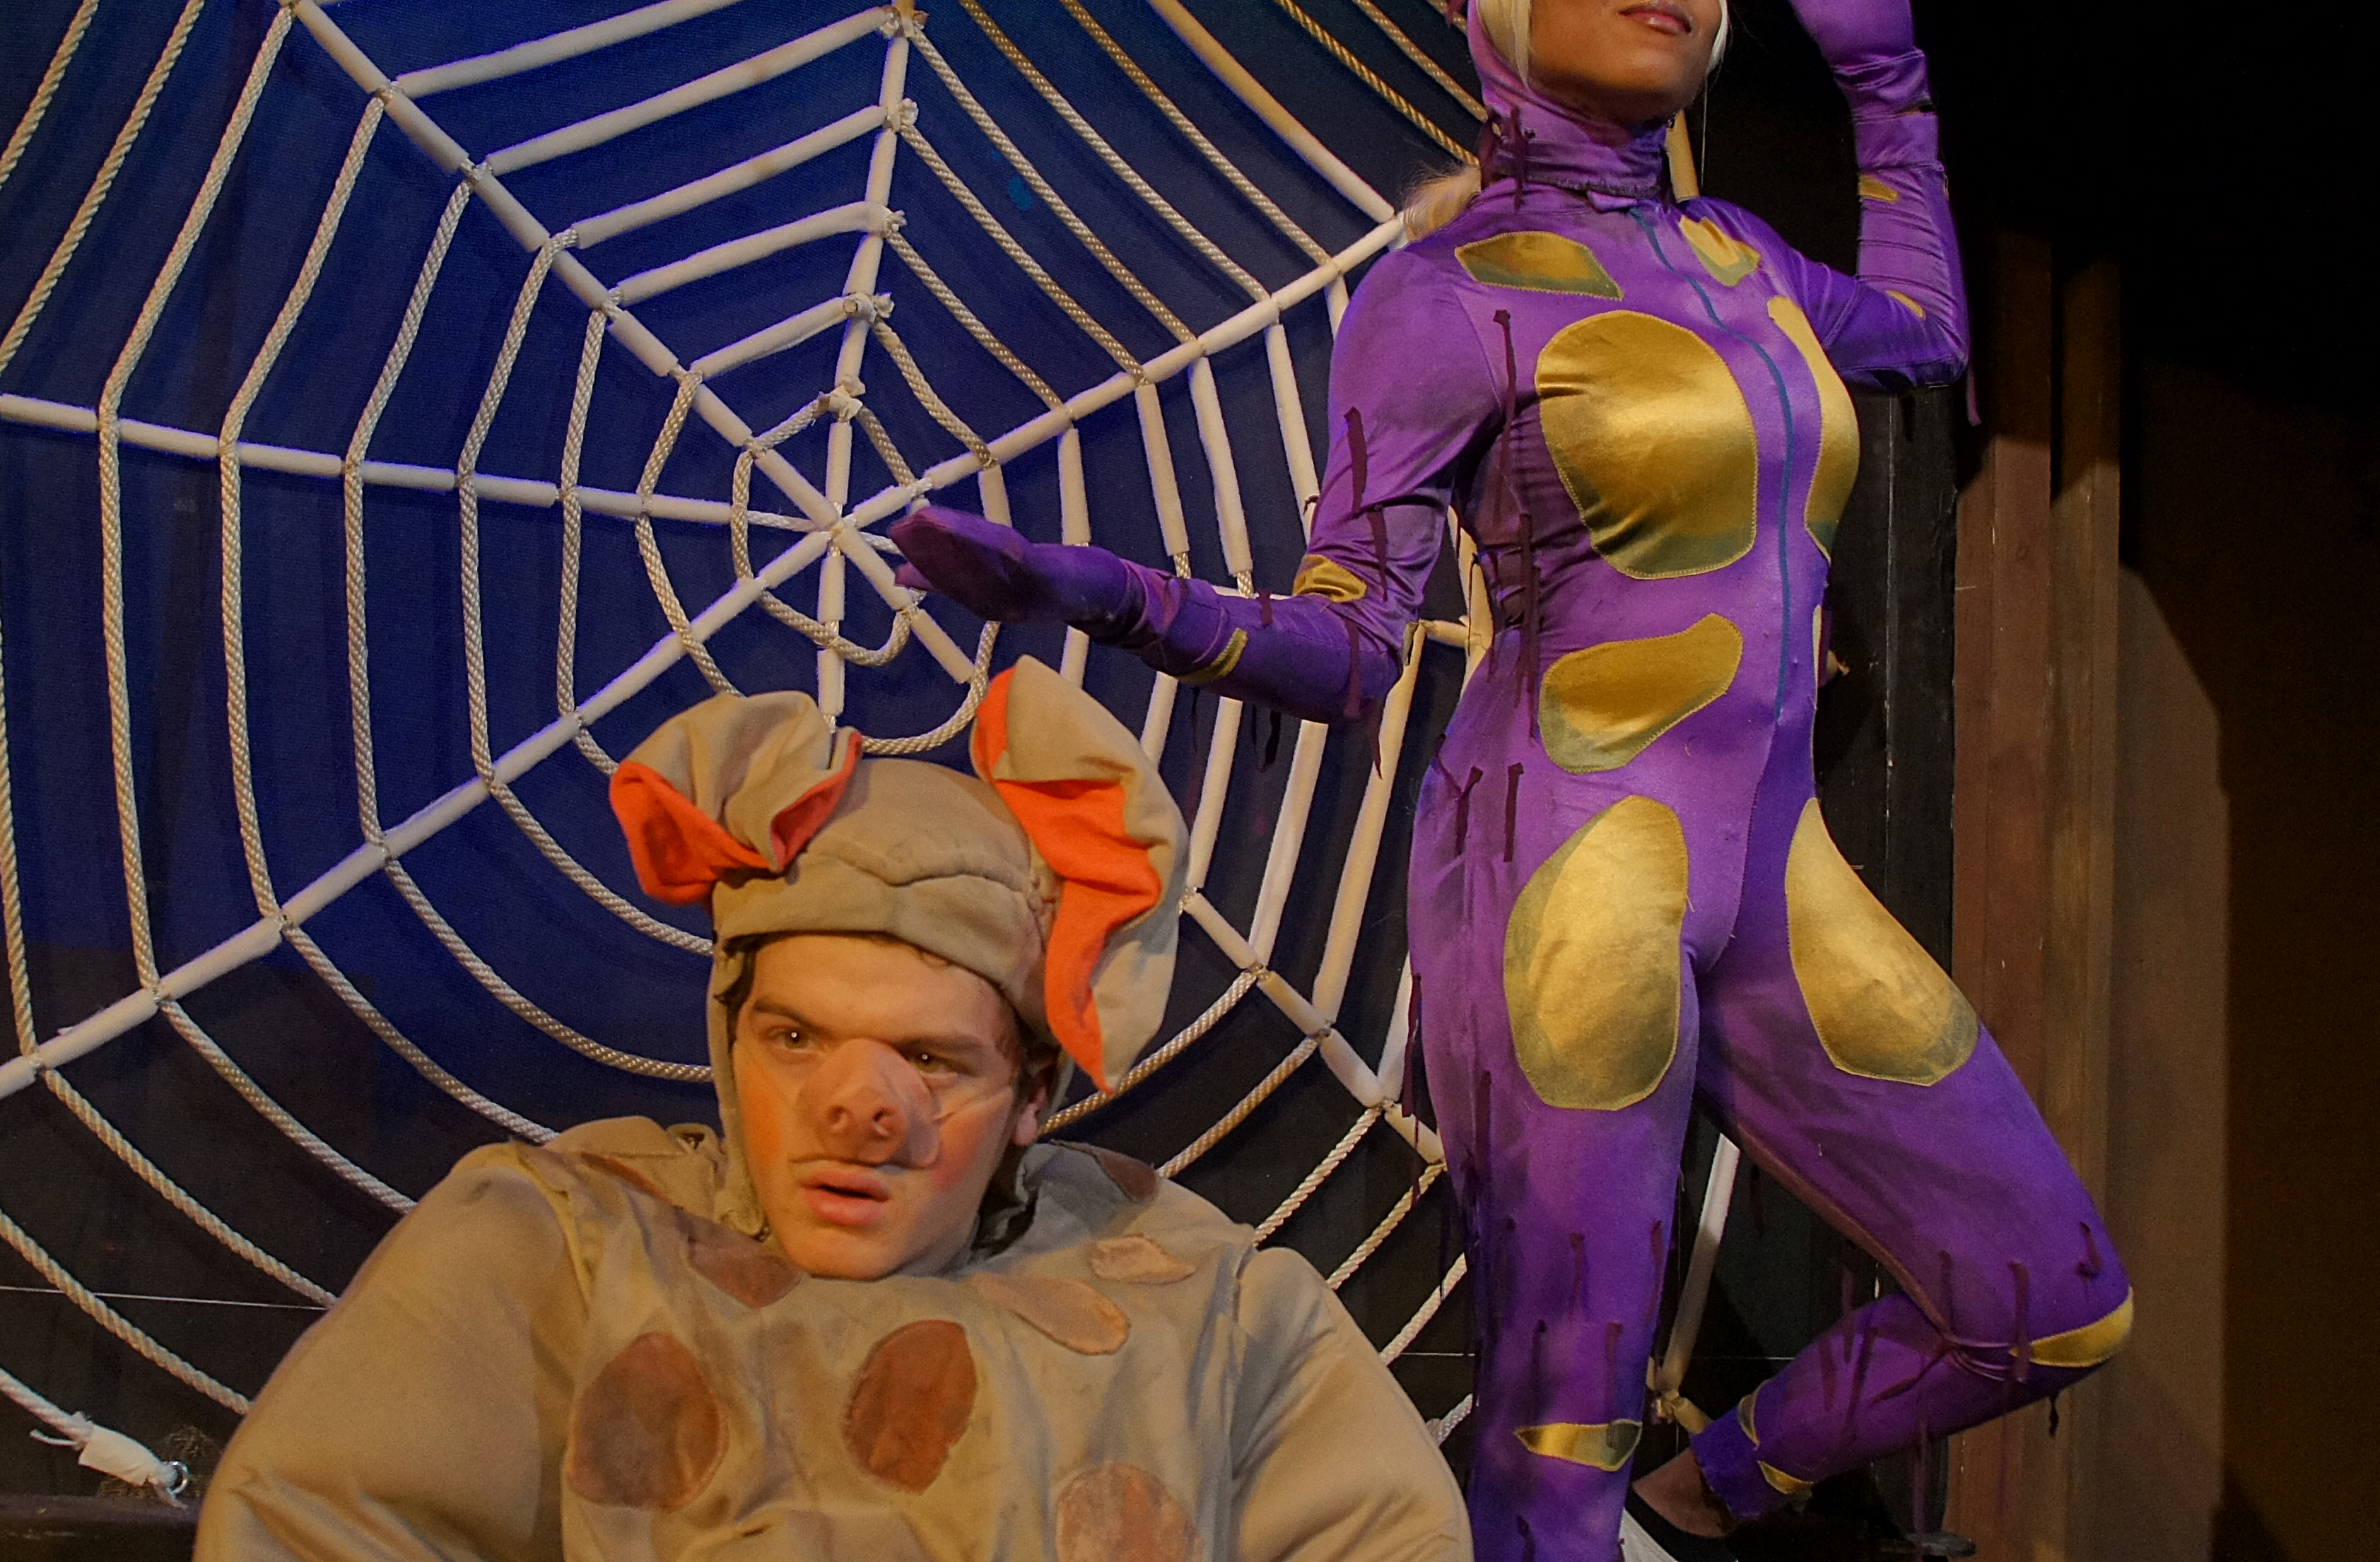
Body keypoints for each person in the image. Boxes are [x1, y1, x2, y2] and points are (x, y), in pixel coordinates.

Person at [889, 0, 2129, 1562]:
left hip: (1776, 877)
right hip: (1563, 871)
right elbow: (1349, 650)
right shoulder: (1444, 291)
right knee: (1555, 1449)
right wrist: (1106, 597)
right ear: (1504, 5)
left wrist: (1887, 87)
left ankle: (1700, 1507)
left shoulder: (1740, 253)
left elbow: (1914, 336)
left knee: (2047, 1300)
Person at [196, 657, 1475, 1562]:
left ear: (1035, 1092)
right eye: (796, 1036)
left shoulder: (1210, 1312)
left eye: (931, 1060)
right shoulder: (562, 1251)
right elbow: (316, 1522)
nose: (858, 1107)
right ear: (729, 1033)